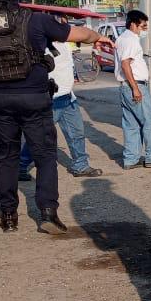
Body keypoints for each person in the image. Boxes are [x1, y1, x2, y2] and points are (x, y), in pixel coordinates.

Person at [0, 0, 112, 233]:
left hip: (0, 99)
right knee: (45, 155)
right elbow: (77, 34)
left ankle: (8, 216)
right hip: (36, 97)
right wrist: (97, 37)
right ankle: (48, 214)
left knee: (6, 157)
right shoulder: (36, 20)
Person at [17, 18, 102, 180]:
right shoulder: (41, 44)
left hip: (69, 97)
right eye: (59, 20)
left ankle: (81, 165)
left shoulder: (65, 41)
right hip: (51, 99)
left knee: (77, 133)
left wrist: (97, 39)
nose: (63, 24)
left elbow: (83, 38)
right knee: (39, 136)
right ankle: (21, 165)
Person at [115, 10, 151, 170]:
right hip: (134, 85)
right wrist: (136, 89)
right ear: (133, 24)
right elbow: (125, 64)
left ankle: (131, 159)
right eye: (142, 26)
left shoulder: (122, 38)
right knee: (150, 122)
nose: (144, 29)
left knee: (131, 124)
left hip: (125, 86)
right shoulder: (131, 40)